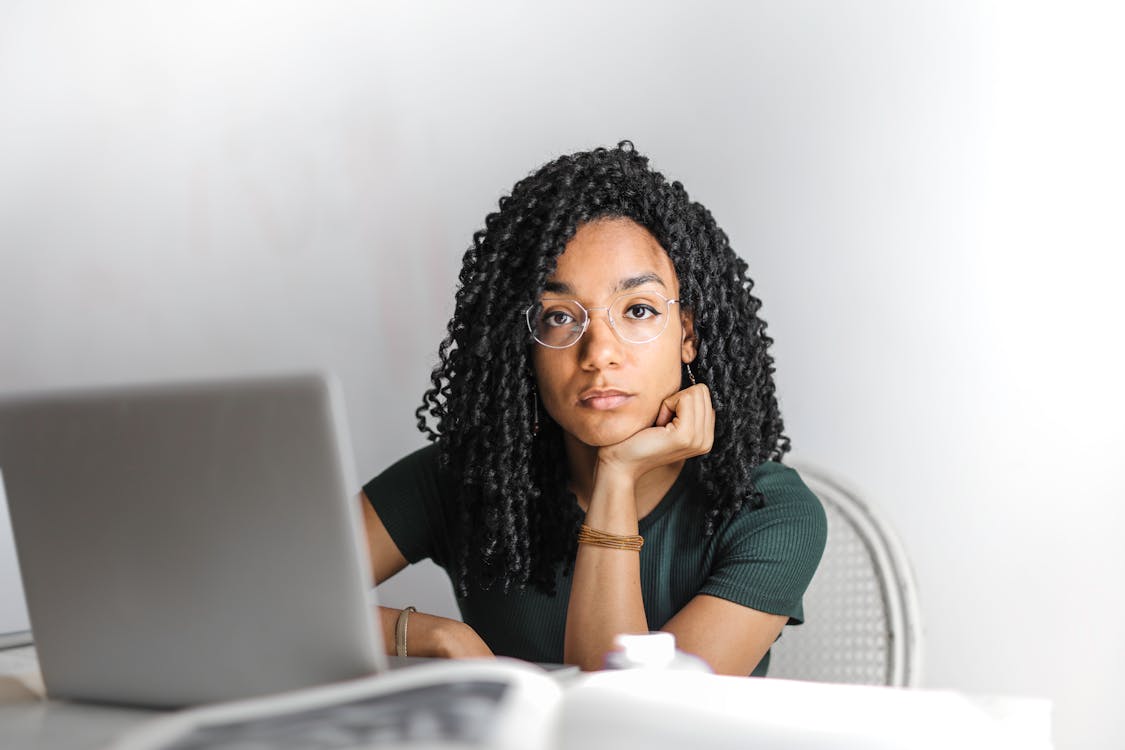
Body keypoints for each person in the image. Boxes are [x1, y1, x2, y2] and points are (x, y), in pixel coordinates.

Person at [360, 141, 827, 676]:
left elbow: (628, 721)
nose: (599, 353)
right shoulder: (470, 477)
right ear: (526, 346)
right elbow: (259, 598)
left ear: (688, 335)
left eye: (639, 309)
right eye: (559, 317)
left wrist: (618, 473)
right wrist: (436, 635)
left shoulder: (769, 511)